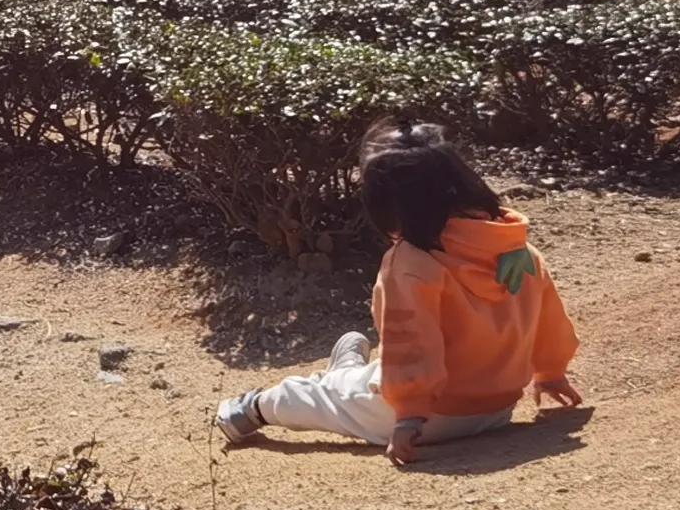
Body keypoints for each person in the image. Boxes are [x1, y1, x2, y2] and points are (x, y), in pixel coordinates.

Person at [213, 122, 583, 463]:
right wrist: (551, 372)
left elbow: (412, 342)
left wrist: (408, 415)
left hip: (426, 417)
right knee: (353, 384)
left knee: (314, 396)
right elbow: (549, 321)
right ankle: (348, 370)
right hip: (496, 409)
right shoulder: (518, 250)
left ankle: (251, 408)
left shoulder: (411, 261)